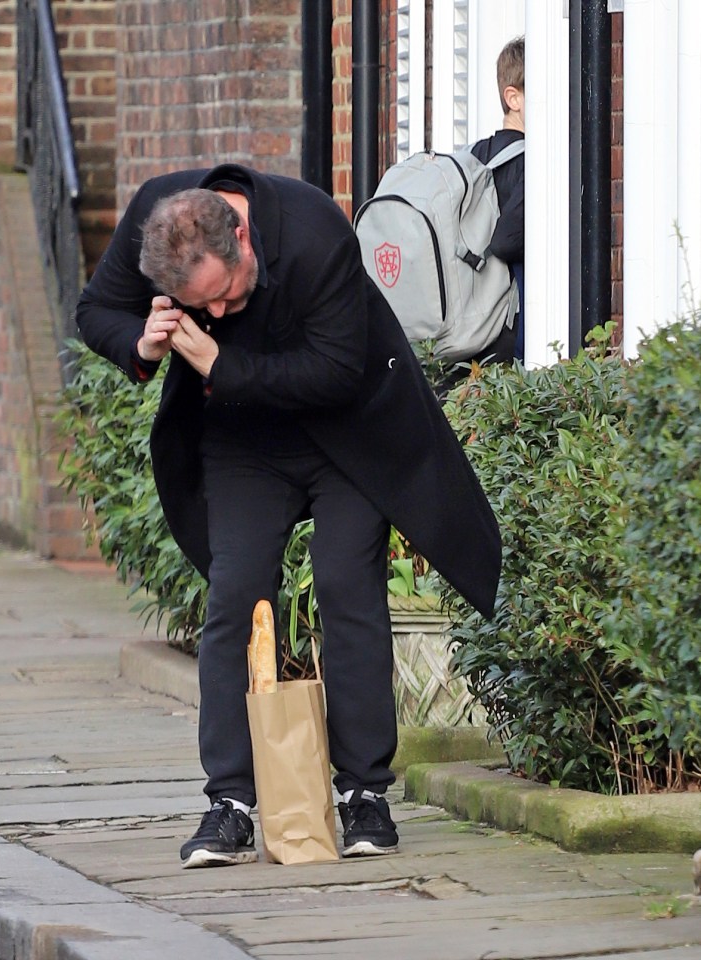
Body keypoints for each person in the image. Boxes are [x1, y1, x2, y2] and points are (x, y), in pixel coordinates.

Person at [75, 163, 501, 869]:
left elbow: (335, 371)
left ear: (240, 237)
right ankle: (231, 802)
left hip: (349, 433)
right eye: (194, 306)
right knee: (236, 595)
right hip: (244, 441)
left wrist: (219, 363)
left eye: (224, 295)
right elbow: (97, 311)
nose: (213, 314)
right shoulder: (158, 217)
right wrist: (143, 344)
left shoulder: (314, 231)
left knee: (344, 584)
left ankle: (364, 792)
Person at [471, 35, 526, 364]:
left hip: (471, 325)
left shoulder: (474, 156)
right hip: (508, 332)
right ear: (513, 98)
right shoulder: (533, 164)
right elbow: (506, 242)